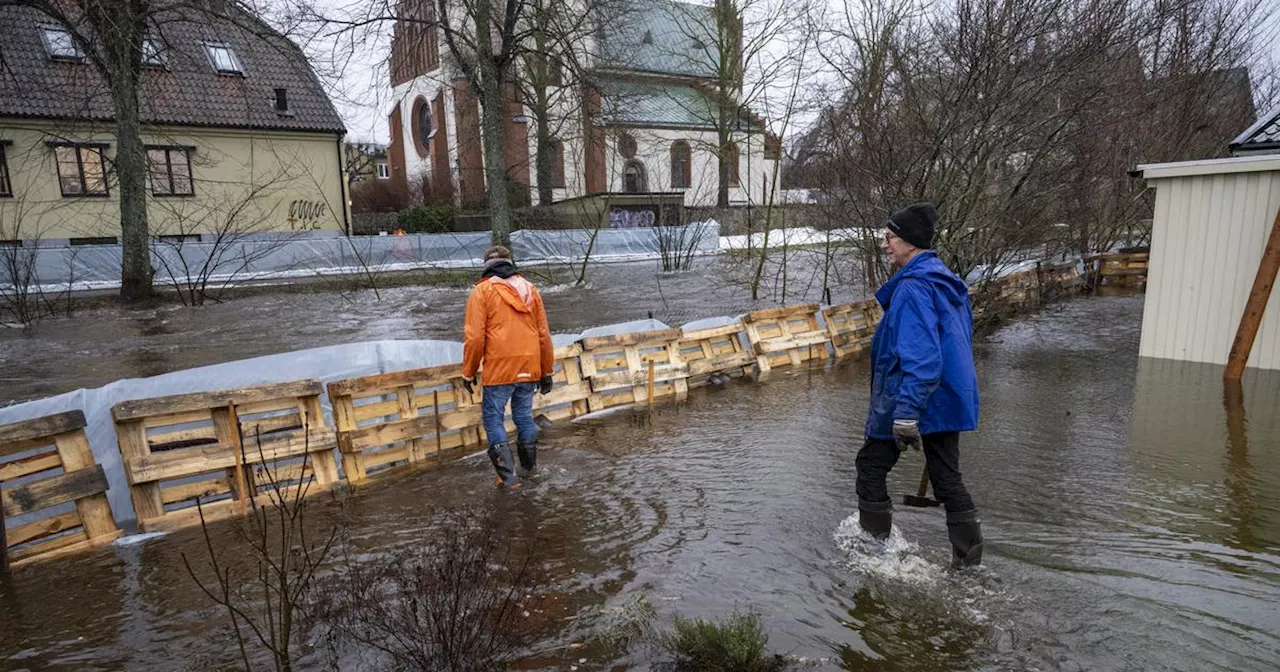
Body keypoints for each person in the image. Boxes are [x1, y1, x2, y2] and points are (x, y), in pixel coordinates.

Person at [856, 202, 984, 569]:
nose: (884, 245)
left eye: (889, 237)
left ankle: (873, 553)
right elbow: (956, 342)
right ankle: (969, 565)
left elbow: (924, 357)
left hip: (912, 395)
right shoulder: (946, 280)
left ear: (910, 243)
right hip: (948, 396)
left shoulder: (914, 288)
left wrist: (907, 413)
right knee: (947, 479)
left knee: (869, 467)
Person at [462, 245, 555, 489]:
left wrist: (468, 372)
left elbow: (474, 339)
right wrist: (546, 371)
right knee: (523, 417)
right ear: (509, 263)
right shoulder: (531, 290)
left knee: (493, 420)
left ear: (486, 266)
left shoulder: (481, 292)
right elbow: (543, 334)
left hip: (499, 368)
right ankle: (530, 470)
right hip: (529, 365)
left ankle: (508, 478)